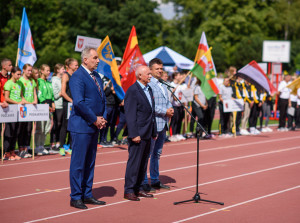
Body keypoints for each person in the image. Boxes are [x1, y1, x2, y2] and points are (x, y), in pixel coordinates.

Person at [68, 47, 107, 209]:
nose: (98, 61)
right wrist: (94, 119)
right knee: (78, 163)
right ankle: (76, 196)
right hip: (82, 126)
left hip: (94, 126)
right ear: (85, 59)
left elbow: (102, 98)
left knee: (90, 162)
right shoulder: (77, 76)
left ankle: (87, 193)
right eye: (95, 58)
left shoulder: (97, 75)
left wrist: (102, 117)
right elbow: (79, 102)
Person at [124, 65, 157, 201]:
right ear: (140, 76)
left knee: (143, 162)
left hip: (148, 132)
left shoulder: (148, 89)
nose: (150, 76)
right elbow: (130, 114)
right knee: (134, 162)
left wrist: (154, 131)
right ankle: (129, 190)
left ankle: (139, 188)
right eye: (148, 74)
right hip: (138, 133)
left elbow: (151, 113)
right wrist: (134, 133)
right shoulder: (133, 90)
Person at [142, 58, 174, 193]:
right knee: (147, 154)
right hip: (153, 124)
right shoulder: (149, 84)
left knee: (157, 153)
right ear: (150, 70)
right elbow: (149, 105)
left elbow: (167, 101)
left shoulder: (163, 83)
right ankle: (143, 181)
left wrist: (170, 109)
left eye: (161, 68)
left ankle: (155, 179)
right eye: (157, 69)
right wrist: (164, 111)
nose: (160, 71)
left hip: (164, 123)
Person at [3, 67, 26, 160]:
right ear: (12, 73)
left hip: (19, 110)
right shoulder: (8, 83)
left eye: (20, 74)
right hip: (10, 110)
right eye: (18, 74)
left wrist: (24, 101)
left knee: (16, 131)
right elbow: (6, 98)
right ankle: (6, 152)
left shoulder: (20, 83)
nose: (19, 76)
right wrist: (17, 103)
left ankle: (12, 151)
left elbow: (21, 96)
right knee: (9, 132)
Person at [59, 58, 78, 156]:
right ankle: (61, 147)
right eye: (75, 65)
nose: (77, 66)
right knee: (65, 126)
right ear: (69, 66)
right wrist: (72, 101)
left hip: (74, 104)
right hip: (68, 104)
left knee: (73, 125)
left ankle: (70, 146)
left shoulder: (75, 75)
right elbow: (62, 92)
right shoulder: (66, 75)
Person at [17, 64, 37, 158]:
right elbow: (21, 95)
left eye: (31, 70)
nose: (30, 72)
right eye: (28, 70)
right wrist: (26, 102)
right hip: (24, 107)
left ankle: (26, 147)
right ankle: (21, 148)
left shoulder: (32, 81)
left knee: (29, 129)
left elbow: (34, 92)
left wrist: (35, 100)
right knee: (22, 129)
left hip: (31, 107)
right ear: (23, 70)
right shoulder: (20, 80)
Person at [35, 64, 55, 155]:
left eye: (49, 70)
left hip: (49, 107)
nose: (48, 72)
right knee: (40, 128)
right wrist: (45, 104)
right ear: (42, 71)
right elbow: (40, 94)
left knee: (47, 128)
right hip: (42, 106)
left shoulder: (49, 82)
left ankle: (42, 146)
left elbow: (52, 95)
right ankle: (37, 146)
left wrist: (53, 103)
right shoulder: (39, 81)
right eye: (47, 70)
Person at [50, 64, 65, 151]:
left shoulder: (61, 79)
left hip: (62, 104)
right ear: (58, 70)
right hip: (57, 104)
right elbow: (55, 95)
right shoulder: (54, 80)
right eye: (63, 69)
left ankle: (58, 142)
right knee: (57, 123)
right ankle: (52, 142)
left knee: (61, 124)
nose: (64, 70)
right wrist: (62, 92)